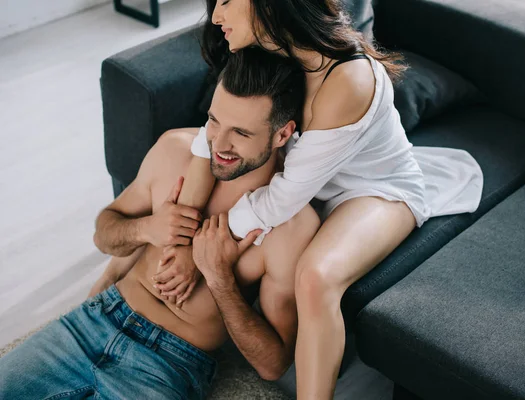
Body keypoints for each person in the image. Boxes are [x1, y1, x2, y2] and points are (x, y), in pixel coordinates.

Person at [152, 1, 484, 398]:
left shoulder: (347, 79)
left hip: (375, 190)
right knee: (182, 152)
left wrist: (198, 249)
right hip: (307, 186)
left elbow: (282, 200)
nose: (217, 17)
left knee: (315, 277)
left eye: (225, 1)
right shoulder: (265, 53)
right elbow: (212, 134)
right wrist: (183, 237)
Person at [0, 47, 320, 400]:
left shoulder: (290, 226)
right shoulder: (174, 150)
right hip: (95, 320)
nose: (220, 144)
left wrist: (220, 278)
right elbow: (104, 232)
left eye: (241, 133)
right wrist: (146, 228)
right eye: (214, 121)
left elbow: (272, 365)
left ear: (281, 134)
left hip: (170, 362)